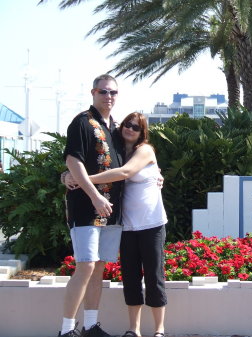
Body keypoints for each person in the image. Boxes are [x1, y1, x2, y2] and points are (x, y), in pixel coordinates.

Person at [65, 112, 168, 337]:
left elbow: (125, 173)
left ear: (143, 133)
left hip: (151, 224)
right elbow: (81, 159)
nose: (130, 129)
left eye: (136, 127)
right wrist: (68, 175)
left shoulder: (145, 150)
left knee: (153, 276)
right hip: (126, 225)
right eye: (127, 125)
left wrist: (82, 179)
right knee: (130, 278)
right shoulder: (119, 151)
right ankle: (134, 330)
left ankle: (159, 330)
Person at [59, 74, 124, 337]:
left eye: (113, 93)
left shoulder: (116, 129)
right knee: (85, 265)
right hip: (86, 208)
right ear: (93, 92)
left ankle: (90, 326)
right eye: (103, 91)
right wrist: (95, 197)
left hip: (113, 211)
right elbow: (72, 161)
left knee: (99, 268)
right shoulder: (81, 123)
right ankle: (66, 330)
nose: (108, 97)